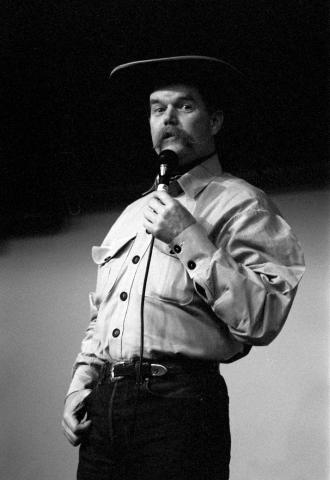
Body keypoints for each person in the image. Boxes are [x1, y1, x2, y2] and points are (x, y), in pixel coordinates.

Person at [62, 56, 305, 480]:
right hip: (104, 406)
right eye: (158, 109)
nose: (168, 119)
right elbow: (101, 315)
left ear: (214, 120)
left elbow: (263, 316)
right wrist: (80, 384)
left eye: (184, 106)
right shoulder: (132, 214)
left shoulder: (243, 202)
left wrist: (188, 235)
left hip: (180, 406)